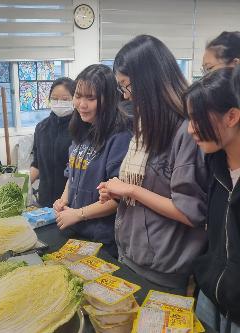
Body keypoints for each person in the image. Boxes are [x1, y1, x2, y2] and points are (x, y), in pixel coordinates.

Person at [98, 35, 208, 294]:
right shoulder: (145, 124)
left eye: (128, 87)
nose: (126, 96)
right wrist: (117, 189)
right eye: (122, 88)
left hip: (163, 267)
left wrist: (131, 190)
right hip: (131, 253)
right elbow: (146, 185)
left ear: (149, 81)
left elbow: (189, 212)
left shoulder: (186, 132)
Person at [53, 64, 131, 257]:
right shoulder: (82, 129)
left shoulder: (120, 137)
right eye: (78, 96)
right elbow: (72, 174)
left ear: (108, 100)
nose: (82, 105)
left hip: (101, 239)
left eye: (91, 98)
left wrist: (78, 214)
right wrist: (63, 201)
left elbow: (117, 199)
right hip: (75, 230)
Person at [185, 68, 240, 331]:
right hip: (210, 299)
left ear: (232, 116)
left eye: (197, 119)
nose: (189, 129)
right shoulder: (213, 164)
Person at [30, 77, 75, 207]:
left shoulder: (81, 128)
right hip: (44, 201)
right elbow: (37, 164)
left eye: (65, 99)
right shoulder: (41, 128)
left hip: (70, 203)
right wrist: (22, 184)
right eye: (54, 98)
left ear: (74, 99)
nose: (59, 102)